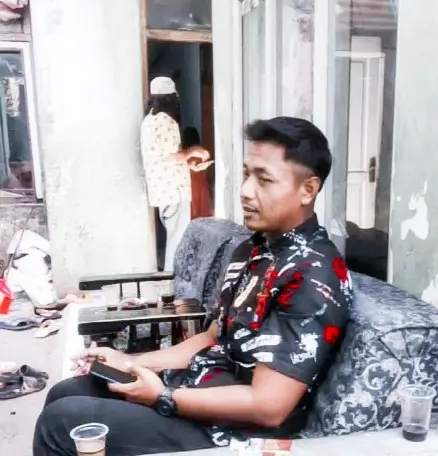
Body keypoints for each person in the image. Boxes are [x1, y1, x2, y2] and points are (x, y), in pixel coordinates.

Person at [33, 117, 353, 456]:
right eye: (247, 174)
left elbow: (268, 406)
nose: (246, 190)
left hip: (236, 436)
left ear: (308, 189)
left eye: (264, 179)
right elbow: (213, 337)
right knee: (67, 392)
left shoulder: (313, 275)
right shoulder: (255, 249)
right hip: (196, 391)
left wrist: (163, 397)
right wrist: (129, 363)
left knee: (61, 424)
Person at [140, 76, 210, 271]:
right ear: (171, 98)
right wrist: (194, 151)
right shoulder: (166, 121)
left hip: (163, 191)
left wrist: (191, 165)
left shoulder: (149, 121)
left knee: (174, 235)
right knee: (177, 239)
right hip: (174, 190)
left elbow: (164, 157)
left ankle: (171, 278)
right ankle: (171, 279)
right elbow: (173, 156)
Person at [182, 126, 214, 219]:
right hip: (202, 187)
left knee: (192, 216)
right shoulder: (203, 152)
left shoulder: (186, 154)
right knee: (204, 215)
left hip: (190, 188)